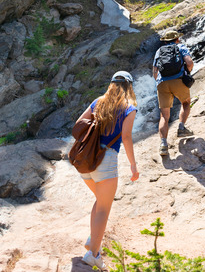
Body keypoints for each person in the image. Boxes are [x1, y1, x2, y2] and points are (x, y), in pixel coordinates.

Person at [77, 71, 139, 270]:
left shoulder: (98, 102)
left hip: (86, 162)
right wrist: (133, 165)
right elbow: (127, 137)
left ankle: (92, 240)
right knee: (104, 207)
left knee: (99, 202)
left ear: (111, 84)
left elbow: (78, 125)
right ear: (129, 87)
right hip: (106, 160)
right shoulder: (129, 108)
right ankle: (93, 255)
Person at [152, 30, 194, 156]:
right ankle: (181, 127)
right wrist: (187, 73)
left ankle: (163, 144)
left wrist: (161, 82)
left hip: (162, 83)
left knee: (164, 116)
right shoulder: (180, 47)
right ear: (176, 39)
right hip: (178, 80)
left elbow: (155, 71)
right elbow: (189, 62)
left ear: (165, 41)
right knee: (186, 103)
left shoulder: (159, 51)